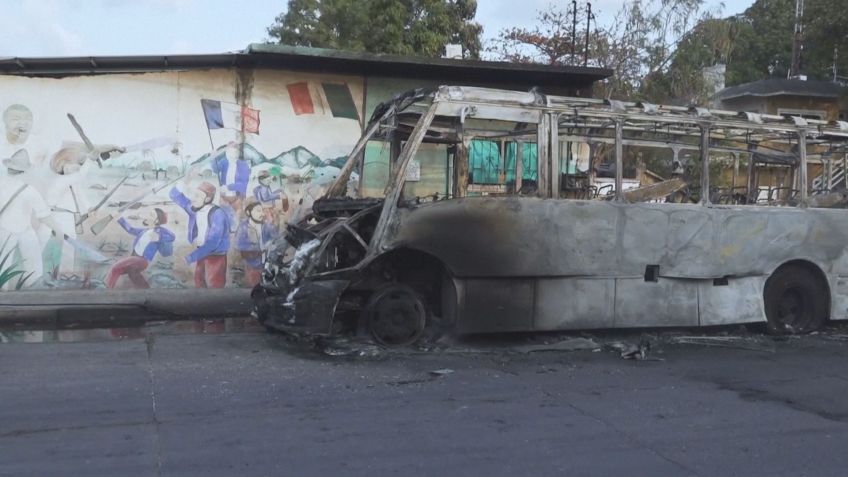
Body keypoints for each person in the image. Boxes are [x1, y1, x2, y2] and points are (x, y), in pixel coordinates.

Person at [0, 150, 64, 287]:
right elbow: (44, 215)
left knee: (2, 268)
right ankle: (32, 291)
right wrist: (58, 231)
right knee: (34, 267)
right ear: (24, 172)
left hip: (4, 230)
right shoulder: (29, 190)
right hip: (24, 230)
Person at [170, 181, 230, 288]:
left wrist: (189, 258)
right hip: (201, 253)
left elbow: (212, 243)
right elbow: (174, 195)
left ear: (207, 199)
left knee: (214, 286)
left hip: (215, 257)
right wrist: (184, 180)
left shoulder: (218, 215)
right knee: (199, 282)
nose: (193, 198)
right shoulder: (194, 209)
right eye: (194, 195)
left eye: (197, 196)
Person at [104, 208, 175, 289]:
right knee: (133, 275)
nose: (147, 216)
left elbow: (172, 236)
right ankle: (148, 292)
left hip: (142, 260)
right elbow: (130, 229)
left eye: (151, 215)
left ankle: (106, 291)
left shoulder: (159, 231)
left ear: (156, 220)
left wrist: (159, 237)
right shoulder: (144, 231)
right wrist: (118, 218)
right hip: (134, 257)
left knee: (115, 269)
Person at [235, 201, 278, 287]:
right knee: (254, 288)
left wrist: (270, 224)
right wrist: (260, 247)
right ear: (248, 212)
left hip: (267, 265)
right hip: (252, 265)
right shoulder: (243, 227)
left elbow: (275, 238)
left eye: (262, 211)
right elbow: (239, 245)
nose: (262, 214)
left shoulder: (265, 226)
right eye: (258, 211)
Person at [211, 142, 251, 229]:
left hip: (238, 198)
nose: (230, 154)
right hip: (224, 197)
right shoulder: (224, 162)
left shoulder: (243, 165)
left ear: (237, 153)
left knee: (237, 222)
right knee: (223, 220)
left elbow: (243, 184)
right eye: (228, 152)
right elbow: (215, 169)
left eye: (233, 152)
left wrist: (229, 187)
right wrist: (213, 158)